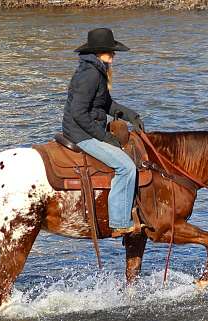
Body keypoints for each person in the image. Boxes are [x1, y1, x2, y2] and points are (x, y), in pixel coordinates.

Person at [62, 28, 145, 237]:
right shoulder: (90, 75)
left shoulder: (96, 70)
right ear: (100, 52)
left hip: (87, 128)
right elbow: (78, 113)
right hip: (81, 133)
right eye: (111, 51)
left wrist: (130, 115)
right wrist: (104, 137)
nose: (114, 55)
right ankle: (119, 222)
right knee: (126, 167)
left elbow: (105, 103)